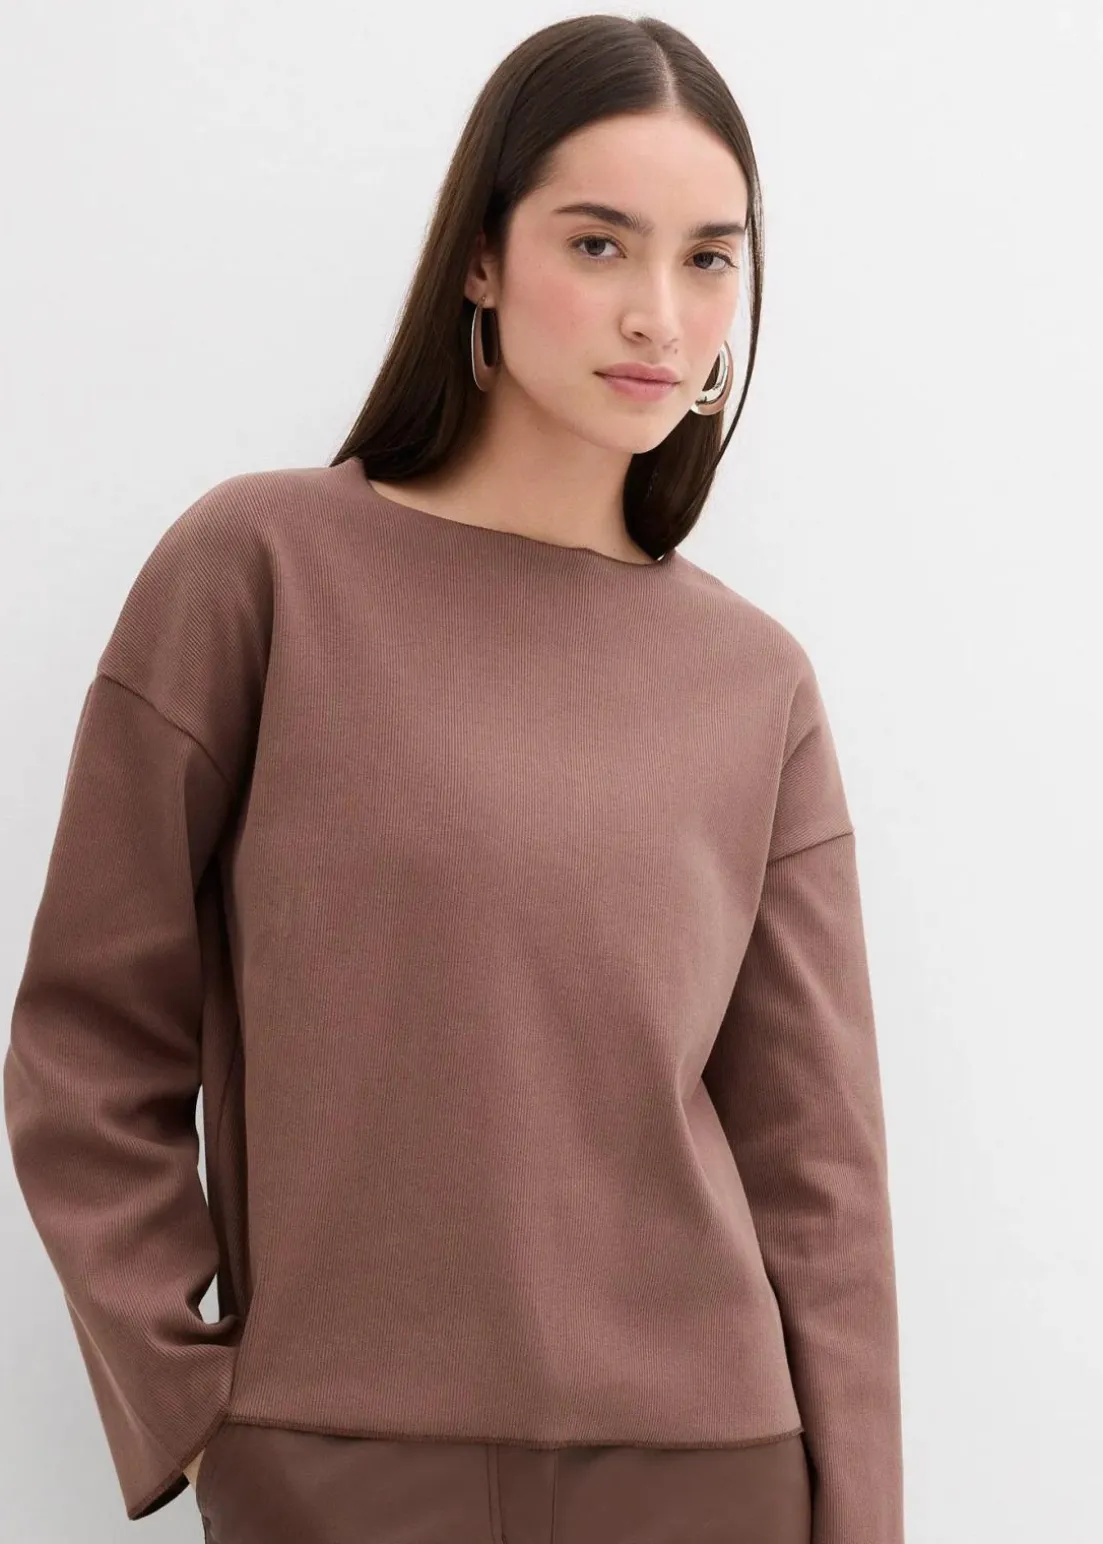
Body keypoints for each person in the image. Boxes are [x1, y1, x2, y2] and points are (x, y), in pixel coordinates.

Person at [3, 14, 904, 1544]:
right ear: (478, 258)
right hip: (338, 1469)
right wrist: (195, 1404)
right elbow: (88, 1036)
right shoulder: (262, 569)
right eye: (599, 244)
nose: (660, 315)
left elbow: (818, 1177)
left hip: (707, 1477)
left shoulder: (754, 685)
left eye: (708, 258)